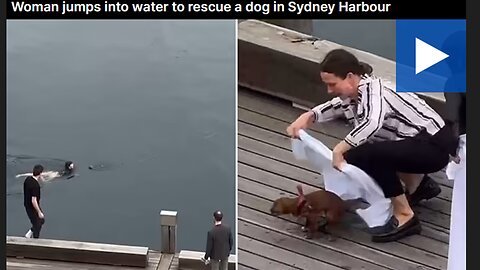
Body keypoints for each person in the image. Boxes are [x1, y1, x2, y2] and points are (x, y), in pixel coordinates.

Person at [287, 48, 458, 242]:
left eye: (332, 84)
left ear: (350, 77)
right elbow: (333, 106)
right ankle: (418, 186)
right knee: (355, 158)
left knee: (370, 155)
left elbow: (372, 123)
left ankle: (405, 215)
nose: (329, 90)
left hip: (434, 147)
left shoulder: (375, 92)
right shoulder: (353, 95)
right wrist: (308, 116)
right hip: (417, 143)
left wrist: (340, 148)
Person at [23, 164, 45, 238]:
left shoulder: (28, 179)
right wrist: (39, 211)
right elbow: (33, 200)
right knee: (37, 225)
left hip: (27, 204)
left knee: (41, 220)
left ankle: (29, 233)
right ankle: (35, 240)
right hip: (32, 207)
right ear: (40, 174)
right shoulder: (36, 186)